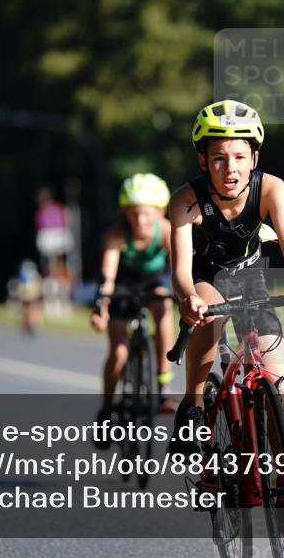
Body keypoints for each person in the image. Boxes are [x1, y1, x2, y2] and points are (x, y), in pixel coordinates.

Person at [168, 99, 284, 551]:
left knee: (281, 385)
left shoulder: (272, 188)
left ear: (254, 157)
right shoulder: (185, 200)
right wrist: (189, 298)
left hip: (253, 283)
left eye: (239, 156)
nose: (229, 167)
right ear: (203, 160)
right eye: (218, 157)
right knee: (210, 319)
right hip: (204, 281)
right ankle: (194, 407)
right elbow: (180, 269)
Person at [91, 173, 177, 445]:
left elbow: (179, 270)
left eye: (147, 214)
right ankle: (106, 410)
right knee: (118, 352)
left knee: (164, 305)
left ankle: (162, 387)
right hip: (121, 287)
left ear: (160, 212)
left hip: (152, 283)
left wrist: (187, 297)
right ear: (125, 213)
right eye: (134, 214)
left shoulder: (165, 230)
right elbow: (108, 275)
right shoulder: (116, 234)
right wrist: (102, 308)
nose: (140, 221)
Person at [15, 259, 44, 335]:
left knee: (25, 308)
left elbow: (18, 284)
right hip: (31, 293)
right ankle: (30, 324)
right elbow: (38, 282)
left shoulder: (22, 273)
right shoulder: (34, 273)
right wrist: (38, 292)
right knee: (32, 309)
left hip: (24, 293)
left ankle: (26, 324)